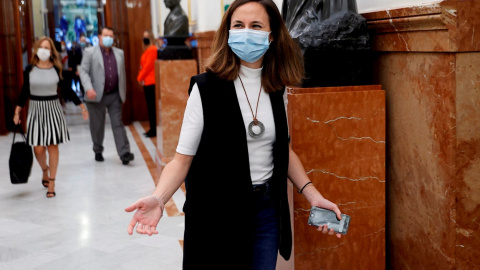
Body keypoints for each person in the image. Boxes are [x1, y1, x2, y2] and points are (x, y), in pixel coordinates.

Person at [125, 0, 343, 269]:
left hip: (266, 213)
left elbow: (283, 150)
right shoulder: (205, 88)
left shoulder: (276, 87)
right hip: (217, 214)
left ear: (272, 35)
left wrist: (313, 195)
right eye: (238, 25)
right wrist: (158, 198)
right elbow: (181, 160)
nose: (246, 32)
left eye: (256, 26)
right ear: (227, 32)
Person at [13, 36, 89, 198]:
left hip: (53, 110)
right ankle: (45, 171)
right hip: (35, 110)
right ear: (36, 50)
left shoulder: (56, 69)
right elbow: (25, 91)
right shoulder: (30, 69)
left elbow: (67, 89)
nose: (44, 50)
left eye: (47, 48)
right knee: (38, 148)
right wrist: (17, 111)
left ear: (51, 52)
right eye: (42, 47)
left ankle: (52, 182)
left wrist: (81, 105)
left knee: (53, 146)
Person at [79, 27, 135, 165]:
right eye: (105, 35)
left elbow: (122, 74)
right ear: (99, 37)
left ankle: (124, 153)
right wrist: (88, 88)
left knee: (118, 124)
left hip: (115, 95)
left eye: (110, 36)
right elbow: (83, 72)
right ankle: (98, 150)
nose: (108, 38)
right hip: (95, 96)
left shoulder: (119, 53)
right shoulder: (90, 52)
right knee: (97, 126)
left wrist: (123, 92)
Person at [137, 30, 158, 137]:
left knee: (152, 107)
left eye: (147, 36)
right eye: (143, 36)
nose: (144, 38)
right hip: (147, 82)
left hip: (152, 82)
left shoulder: (152, 49)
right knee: (150, 107)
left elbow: (148, 67)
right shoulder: (147, 50)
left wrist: (140, 78)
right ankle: (152, 128)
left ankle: (154, 129)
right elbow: (142, 66)